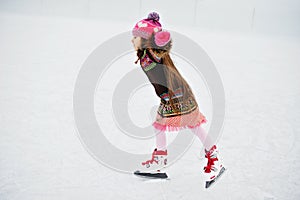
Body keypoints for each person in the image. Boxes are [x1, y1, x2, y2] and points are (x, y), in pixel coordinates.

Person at [131, 12, 225, 188]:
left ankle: (215, 158)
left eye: (136, 36)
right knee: (159, 125)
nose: (132, 39)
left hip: (179, 95)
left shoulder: (153, 52)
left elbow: (162, 47)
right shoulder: (144, 53)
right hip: (169, 98)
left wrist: (160, 38)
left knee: (194, 125)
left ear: (145, 39)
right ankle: (159, 161)